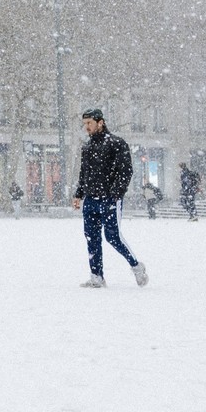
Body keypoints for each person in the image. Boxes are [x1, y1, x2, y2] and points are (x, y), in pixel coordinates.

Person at [71, 108, 147, 289]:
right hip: (90, 199)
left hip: (109, 199)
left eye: (89, 123)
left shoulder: (116, 144)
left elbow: (126, 171)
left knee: (113, 237)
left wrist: (115, 194)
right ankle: (96, 276)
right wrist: (79, 194)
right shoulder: (87, 147)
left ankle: (136, 266)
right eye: (84, 124)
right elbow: (84, 173)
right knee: (92, 238)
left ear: (100, 122)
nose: (86, 127)